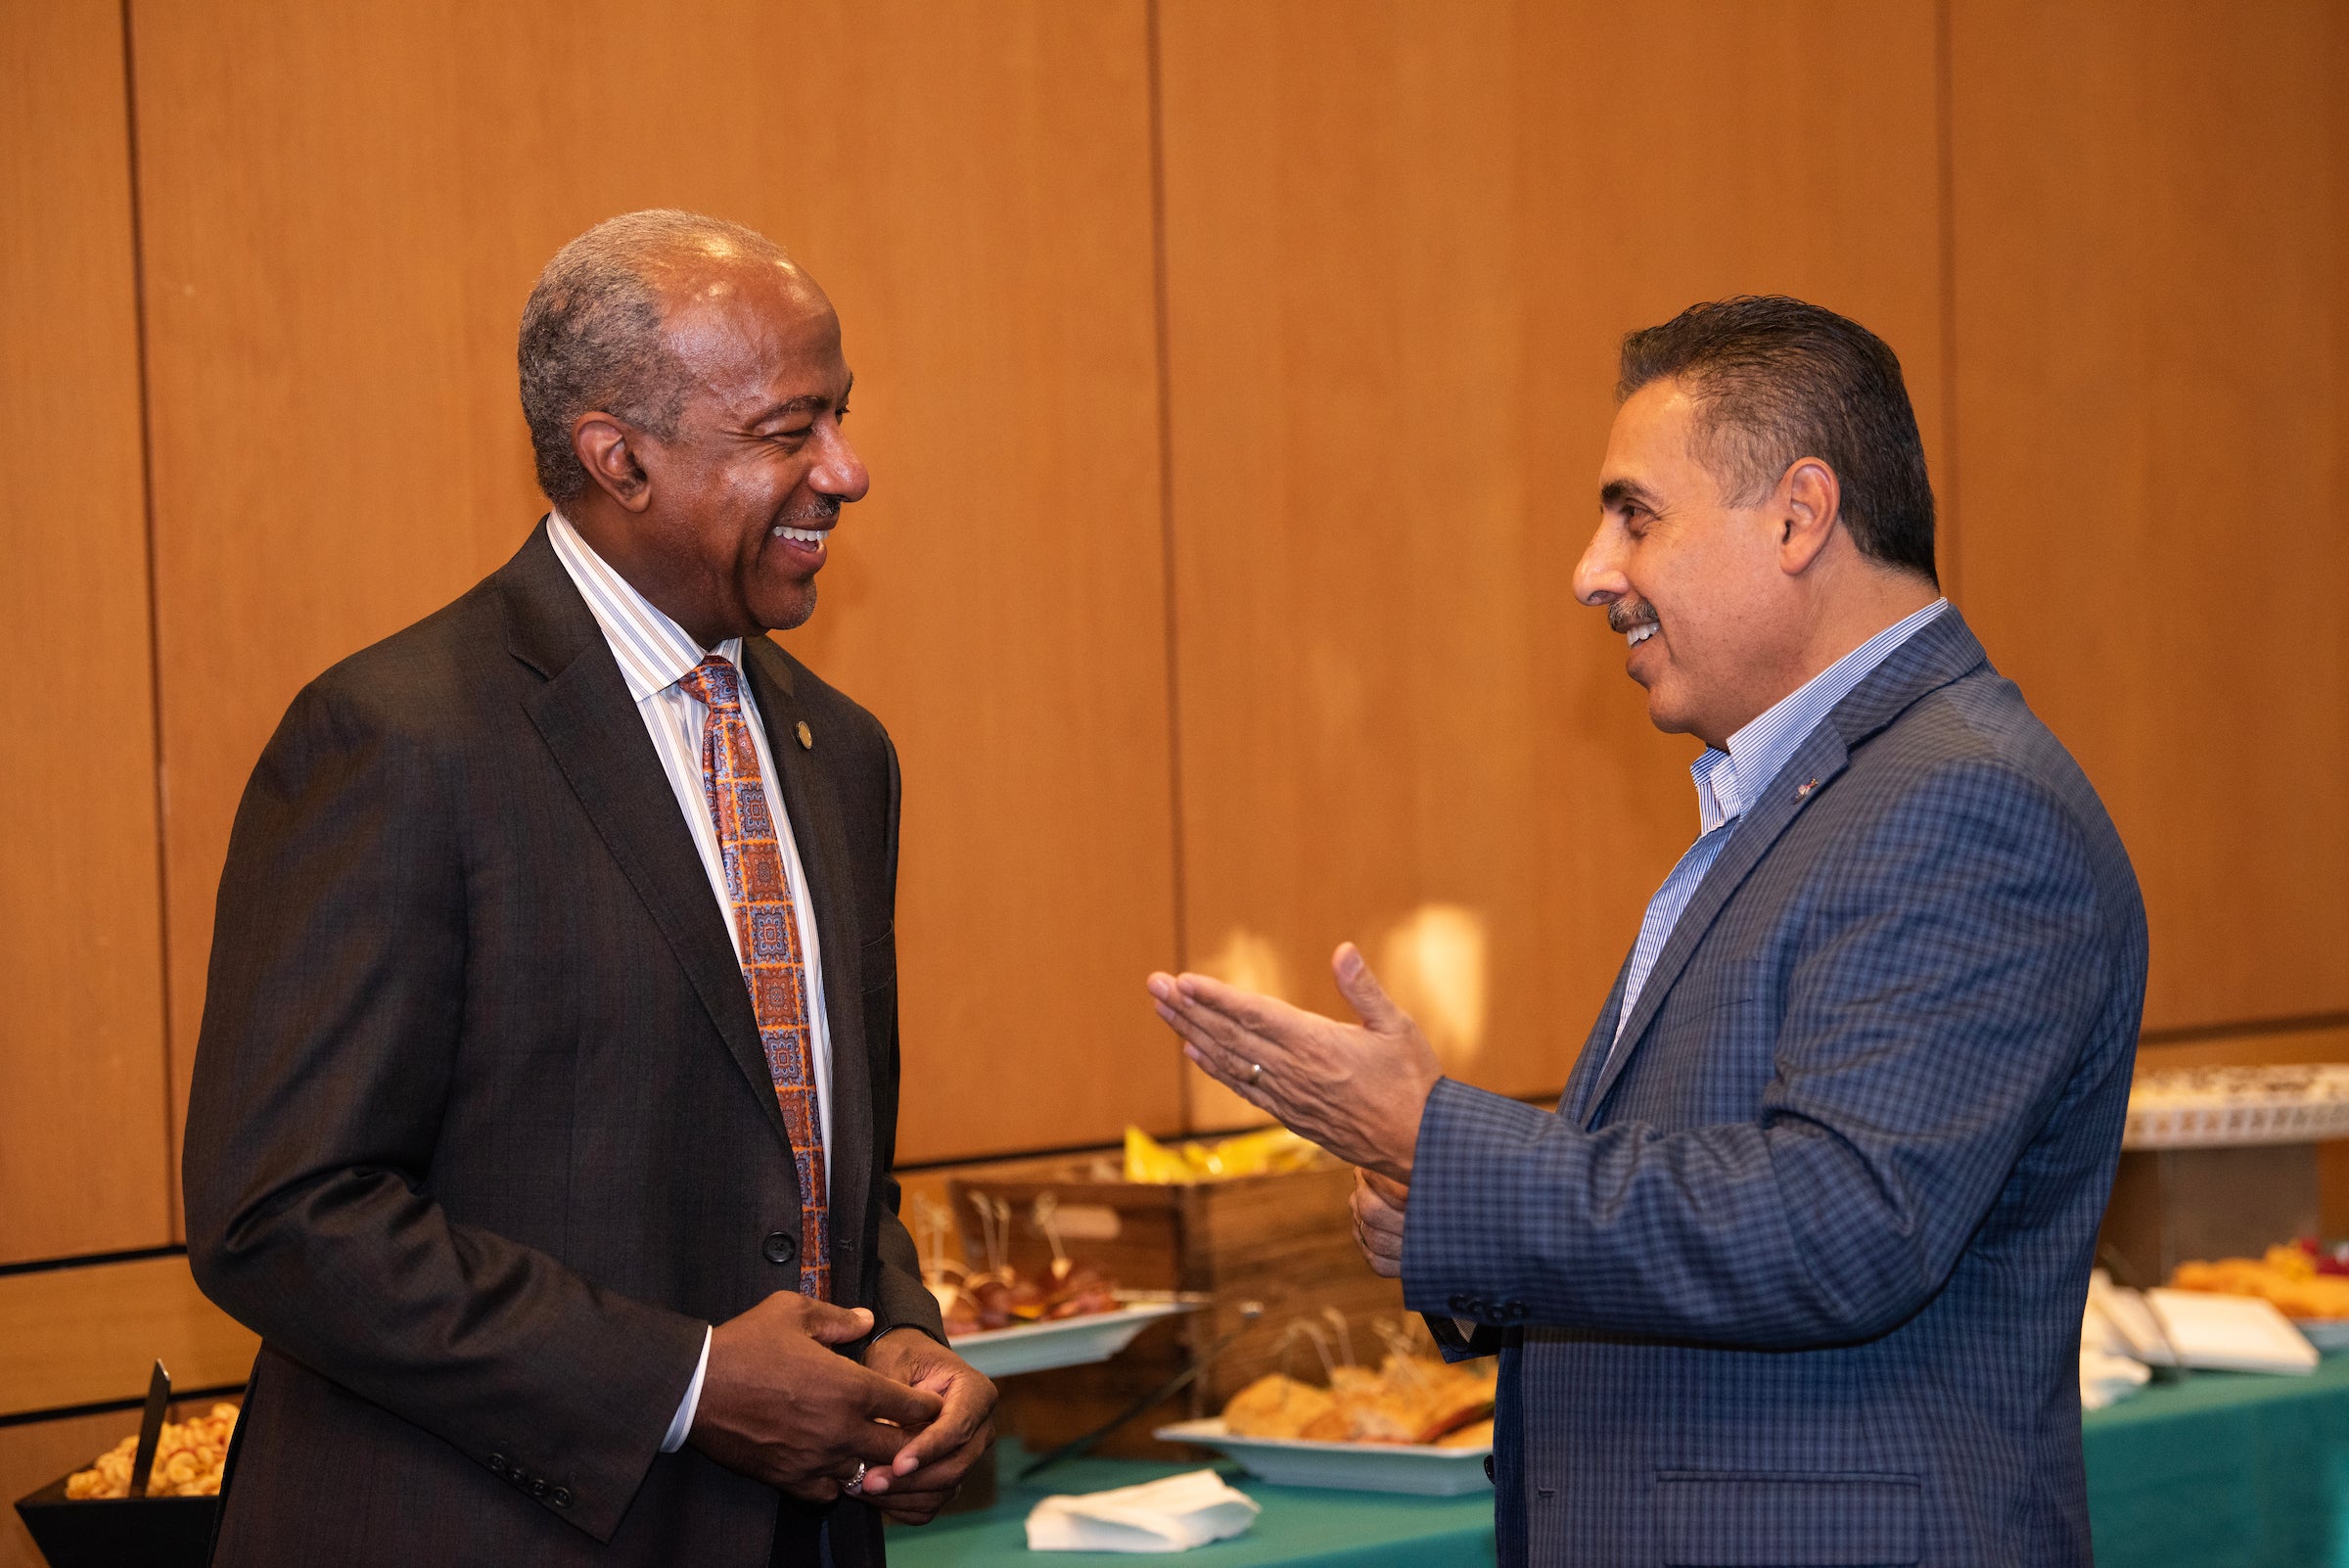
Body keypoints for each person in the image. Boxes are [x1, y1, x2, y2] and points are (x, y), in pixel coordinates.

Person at [1150, 297, 2145, 1567]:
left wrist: (1440, 1143)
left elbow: (1840, 1223)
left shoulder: (1963, 802)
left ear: (1798, 514)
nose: (1590, 571)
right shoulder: (1805, 790)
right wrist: (1454, 1226)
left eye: (1636, 514)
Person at [183, 210, 994, 1567]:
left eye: (839, 418)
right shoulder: (399, 739)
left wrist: (900, 1332)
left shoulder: (841, 754)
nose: (848, 472)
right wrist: (681, 1382)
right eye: (788, 432)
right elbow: (283, 1215)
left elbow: (802, 1158)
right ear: (620, 458)